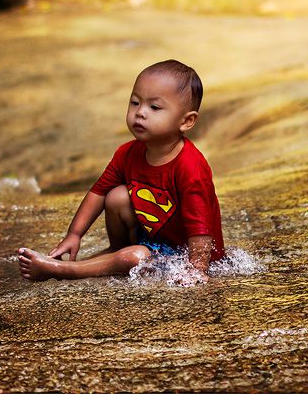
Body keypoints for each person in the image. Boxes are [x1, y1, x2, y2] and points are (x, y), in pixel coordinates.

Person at [17, 59, 224, 283]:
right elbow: (98, 193)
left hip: (184, 257)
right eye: (135, 102)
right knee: (116, 197)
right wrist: (74, 234)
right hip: (153, 242)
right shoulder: (127, 153)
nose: (140, 112)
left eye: (154, 107)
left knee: (136, 258)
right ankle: (116, 253)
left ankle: (63, 270)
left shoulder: (190, 167)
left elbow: (200, 228)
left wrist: (197, 270)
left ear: (186, 121)